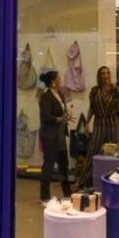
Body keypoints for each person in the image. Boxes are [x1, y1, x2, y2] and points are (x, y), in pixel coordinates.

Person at [38, 70, 73, 203]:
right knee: (49, 164)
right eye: (58, 78)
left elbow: (61, 112)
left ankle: (67, 194)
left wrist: (66, 116)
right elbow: (46, 116)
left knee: (63, 164)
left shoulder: (59, 94)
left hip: (60, 134)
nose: (60, 80)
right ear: (53, 81)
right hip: (50, 135)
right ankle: (45, 196)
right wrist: (59, 119)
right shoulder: (45, 96)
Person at [87, 66, 119, 157]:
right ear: (99, 76)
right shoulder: (95, 90)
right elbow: (91, 108)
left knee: (114, 150)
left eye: (108, 73)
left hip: (113, 123)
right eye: (103, 73)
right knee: (95, 148)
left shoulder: (116, 90)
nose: (106, 75)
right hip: (99, 123)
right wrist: (87, 123)